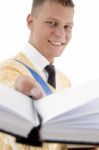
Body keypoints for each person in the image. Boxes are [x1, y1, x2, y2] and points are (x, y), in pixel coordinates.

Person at [0, 0, 75, 149]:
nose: (60, 34)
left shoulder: (64, 82)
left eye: (67, 27)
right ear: (30, 21)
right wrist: (14, 96)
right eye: (52, 23)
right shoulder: (8, 71)